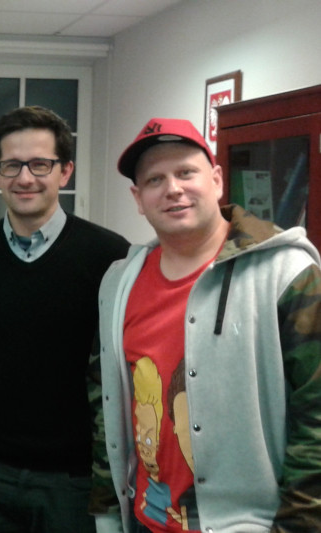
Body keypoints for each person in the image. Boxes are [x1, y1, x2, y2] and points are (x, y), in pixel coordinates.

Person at [93, 117, 321, 532]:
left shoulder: (287, 274)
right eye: (155, 179)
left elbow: (315, 418)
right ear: (138, 198)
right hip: (146, 520)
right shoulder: (118, 284)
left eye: (186, 172)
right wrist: (108, 511)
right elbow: (106, 404)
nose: (173, 189)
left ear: (216, 180)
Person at [0, 105, 130, 533]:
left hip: (73, 479)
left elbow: (117, 361)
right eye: (12, 165)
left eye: (40, 164)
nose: (25, 178)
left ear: (65, 171)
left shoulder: (110, 255)